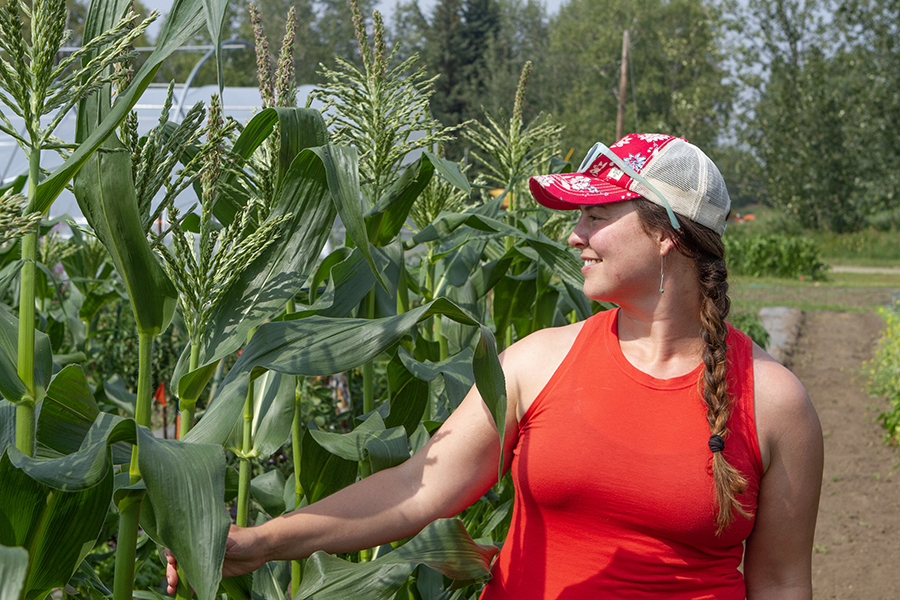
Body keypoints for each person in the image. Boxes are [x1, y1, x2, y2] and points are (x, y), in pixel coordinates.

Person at [167, 133, 823, 599]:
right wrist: (261, 541)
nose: (574, 234)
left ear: (665, 234)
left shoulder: (770, 401)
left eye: (597, 214)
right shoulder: (539, 361)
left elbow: (781, 582)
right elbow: (415, 488)